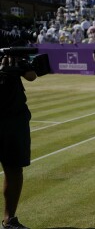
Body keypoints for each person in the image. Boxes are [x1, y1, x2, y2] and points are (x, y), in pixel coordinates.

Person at [0, 40, 37, 229]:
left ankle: (9, 219)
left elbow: (32, 76)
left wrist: (17, 66)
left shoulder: (10, 52)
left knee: (14, 168)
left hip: (15, 117)